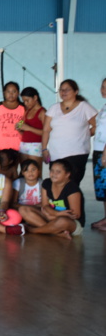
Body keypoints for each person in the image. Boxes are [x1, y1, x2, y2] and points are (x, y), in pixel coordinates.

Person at [41, 79, 97, 188]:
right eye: (61, 90)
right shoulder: (54, 108)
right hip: (56, 154)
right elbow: (46, 130)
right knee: (57, 186)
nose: (64, 92)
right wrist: (44, 149)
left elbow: (98, 125)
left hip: (77, 153)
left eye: (67, 90)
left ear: (76, 91)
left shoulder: (84, 106)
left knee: (72, 186)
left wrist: (85, 134)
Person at [20, 159, 84, 239]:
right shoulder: (47, 183)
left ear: (67, 174)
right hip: (51, 216)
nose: (54, 174)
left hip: (70, 223)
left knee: (62, 221)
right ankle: (57, 233)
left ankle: (32, 230)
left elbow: (75, 215)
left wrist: (53, 216)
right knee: (23, 209)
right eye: (52, 171)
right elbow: (45, 205)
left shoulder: (72, 189)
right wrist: (56, 214)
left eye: (58, 172)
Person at [0, 81, 24, 153]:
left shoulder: (23, 108)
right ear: (4, 93)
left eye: (14, 91)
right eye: (8, 91)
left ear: (18, 93)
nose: (11, 94)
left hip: (18, 146)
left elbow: (22, 125)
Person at [17, 87, 46, 167]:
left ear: (35, 98)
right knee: (24, 171)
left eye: (27, 100)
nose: (25, 103)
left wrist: (29, 128)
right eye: (24, 101)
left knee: (35, 171)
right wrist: (19, 128)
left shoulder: (42, 112)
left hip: (36, 145)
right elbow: (22, 125)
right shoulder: (27, 111)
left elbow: (46, 132)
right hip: (23, 144)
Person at [92, 78, 106, 230]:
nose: (103, 90)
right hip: (98, 150)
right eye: (102, 86)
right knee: (103, 188)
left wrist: (105, 153)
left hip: (104, 151)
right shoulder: (104, 107)